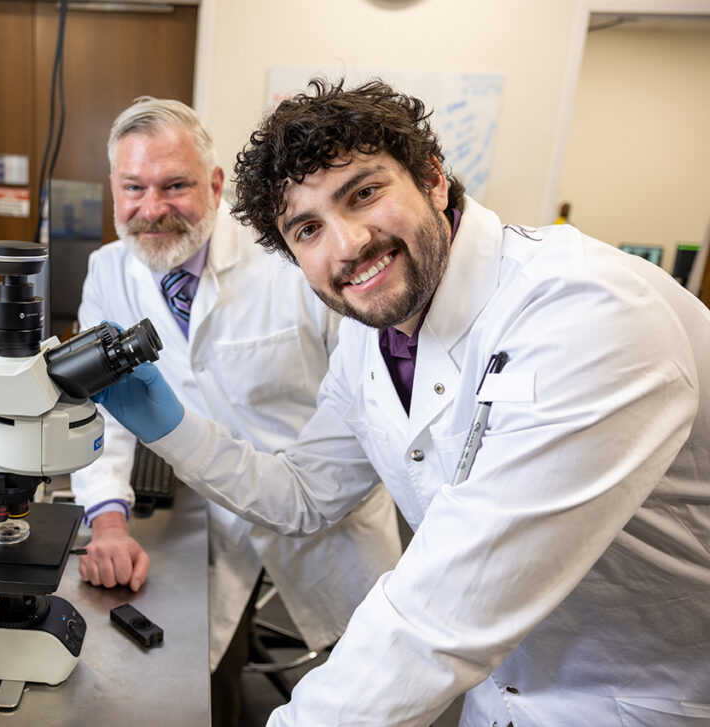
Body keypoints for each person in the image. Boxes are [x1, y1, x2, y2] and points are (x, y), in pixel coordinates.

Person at [92, 80, 710, 726]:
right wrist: (171, 427)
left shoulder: (583, 311)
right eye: (307, 228)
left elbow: (448, 611)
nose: (349, 243)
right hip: (502, 695)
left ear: (433, 179)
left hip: (646, 701)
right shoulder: (373, 342)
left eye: (363, 193)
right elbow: (303, 493)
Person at [70, 97, 403, 726]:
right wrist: (109, 518)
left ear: (217, 185)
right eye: (133, 188)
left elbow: (368, 395)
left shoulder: (292, 253)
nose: (152, 209)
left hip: (331, 516)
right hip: (216, 516)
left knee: (366, 689)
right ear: (112, 188)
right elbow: (104, 409)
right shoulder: (108, 273)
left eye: (175, 186)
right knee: (205, 677)